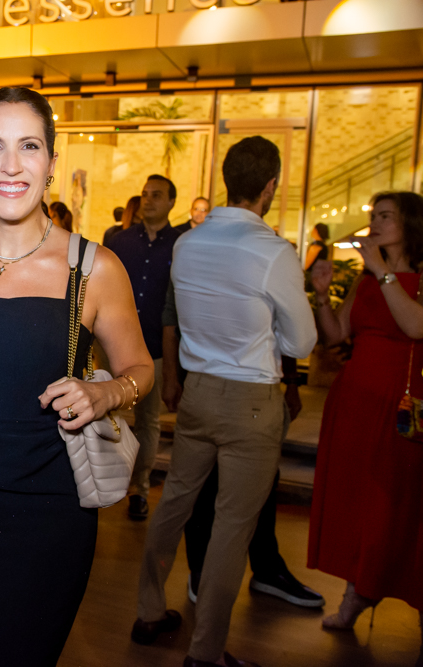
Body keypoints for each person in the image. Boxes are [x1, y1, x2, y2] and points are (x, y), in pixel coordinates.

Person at [0, 87, 154, 667]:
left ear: (50, 163)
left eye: (29, 146)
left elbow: (141, 369)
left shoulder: (94, 267)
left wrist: (106, 392)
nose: (11, 165)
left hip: (48, 511)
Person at [133, 136, 317, 667]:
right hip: (251, 401)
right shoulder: (273, 252)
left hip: (198, 392)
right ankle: (206, 652)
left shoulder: (189, 244)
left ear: (227, 181)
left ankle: (148, 611)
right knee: (232, 527)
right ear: (270, 187)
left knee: (175, 504)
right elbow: (301, 342)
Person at [162, 284, 325, 609]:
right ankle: (201, 571)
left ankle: (267, 568)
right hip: (206, 381)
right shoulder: (192, 256)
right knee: (203, 482)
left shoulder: (266, 257)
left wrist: (292, 383)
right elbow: (171, 320)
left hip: (259, 386)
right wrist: (170, 376)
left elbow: (284, 325)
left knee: (264, 481)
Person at [308, 192, 423, 644]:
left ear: (410, 224)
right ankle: (356, 591)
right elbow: (337, 333)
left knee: (398, 505)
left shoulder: (403, 275)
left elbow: (415, 326)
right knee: (360, 503)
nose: (374, 223)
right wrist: (321, 296)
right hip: (356, 399)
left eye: (385, 216)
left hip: (402, 405)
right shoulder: (366, 278)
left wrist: (383, 271)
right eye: (373, 215)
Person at [106, 175, 179, 520]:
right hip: (114, 344)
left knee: (148, 423)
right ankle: (108, 485)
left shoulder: (180, 245)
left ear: (171, 202)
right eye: (145, 194)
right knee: (113, 416)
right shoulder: (119, 242)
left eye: (157, 195)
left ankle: (139, 490)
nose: (148, 200)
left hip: (156, 347)